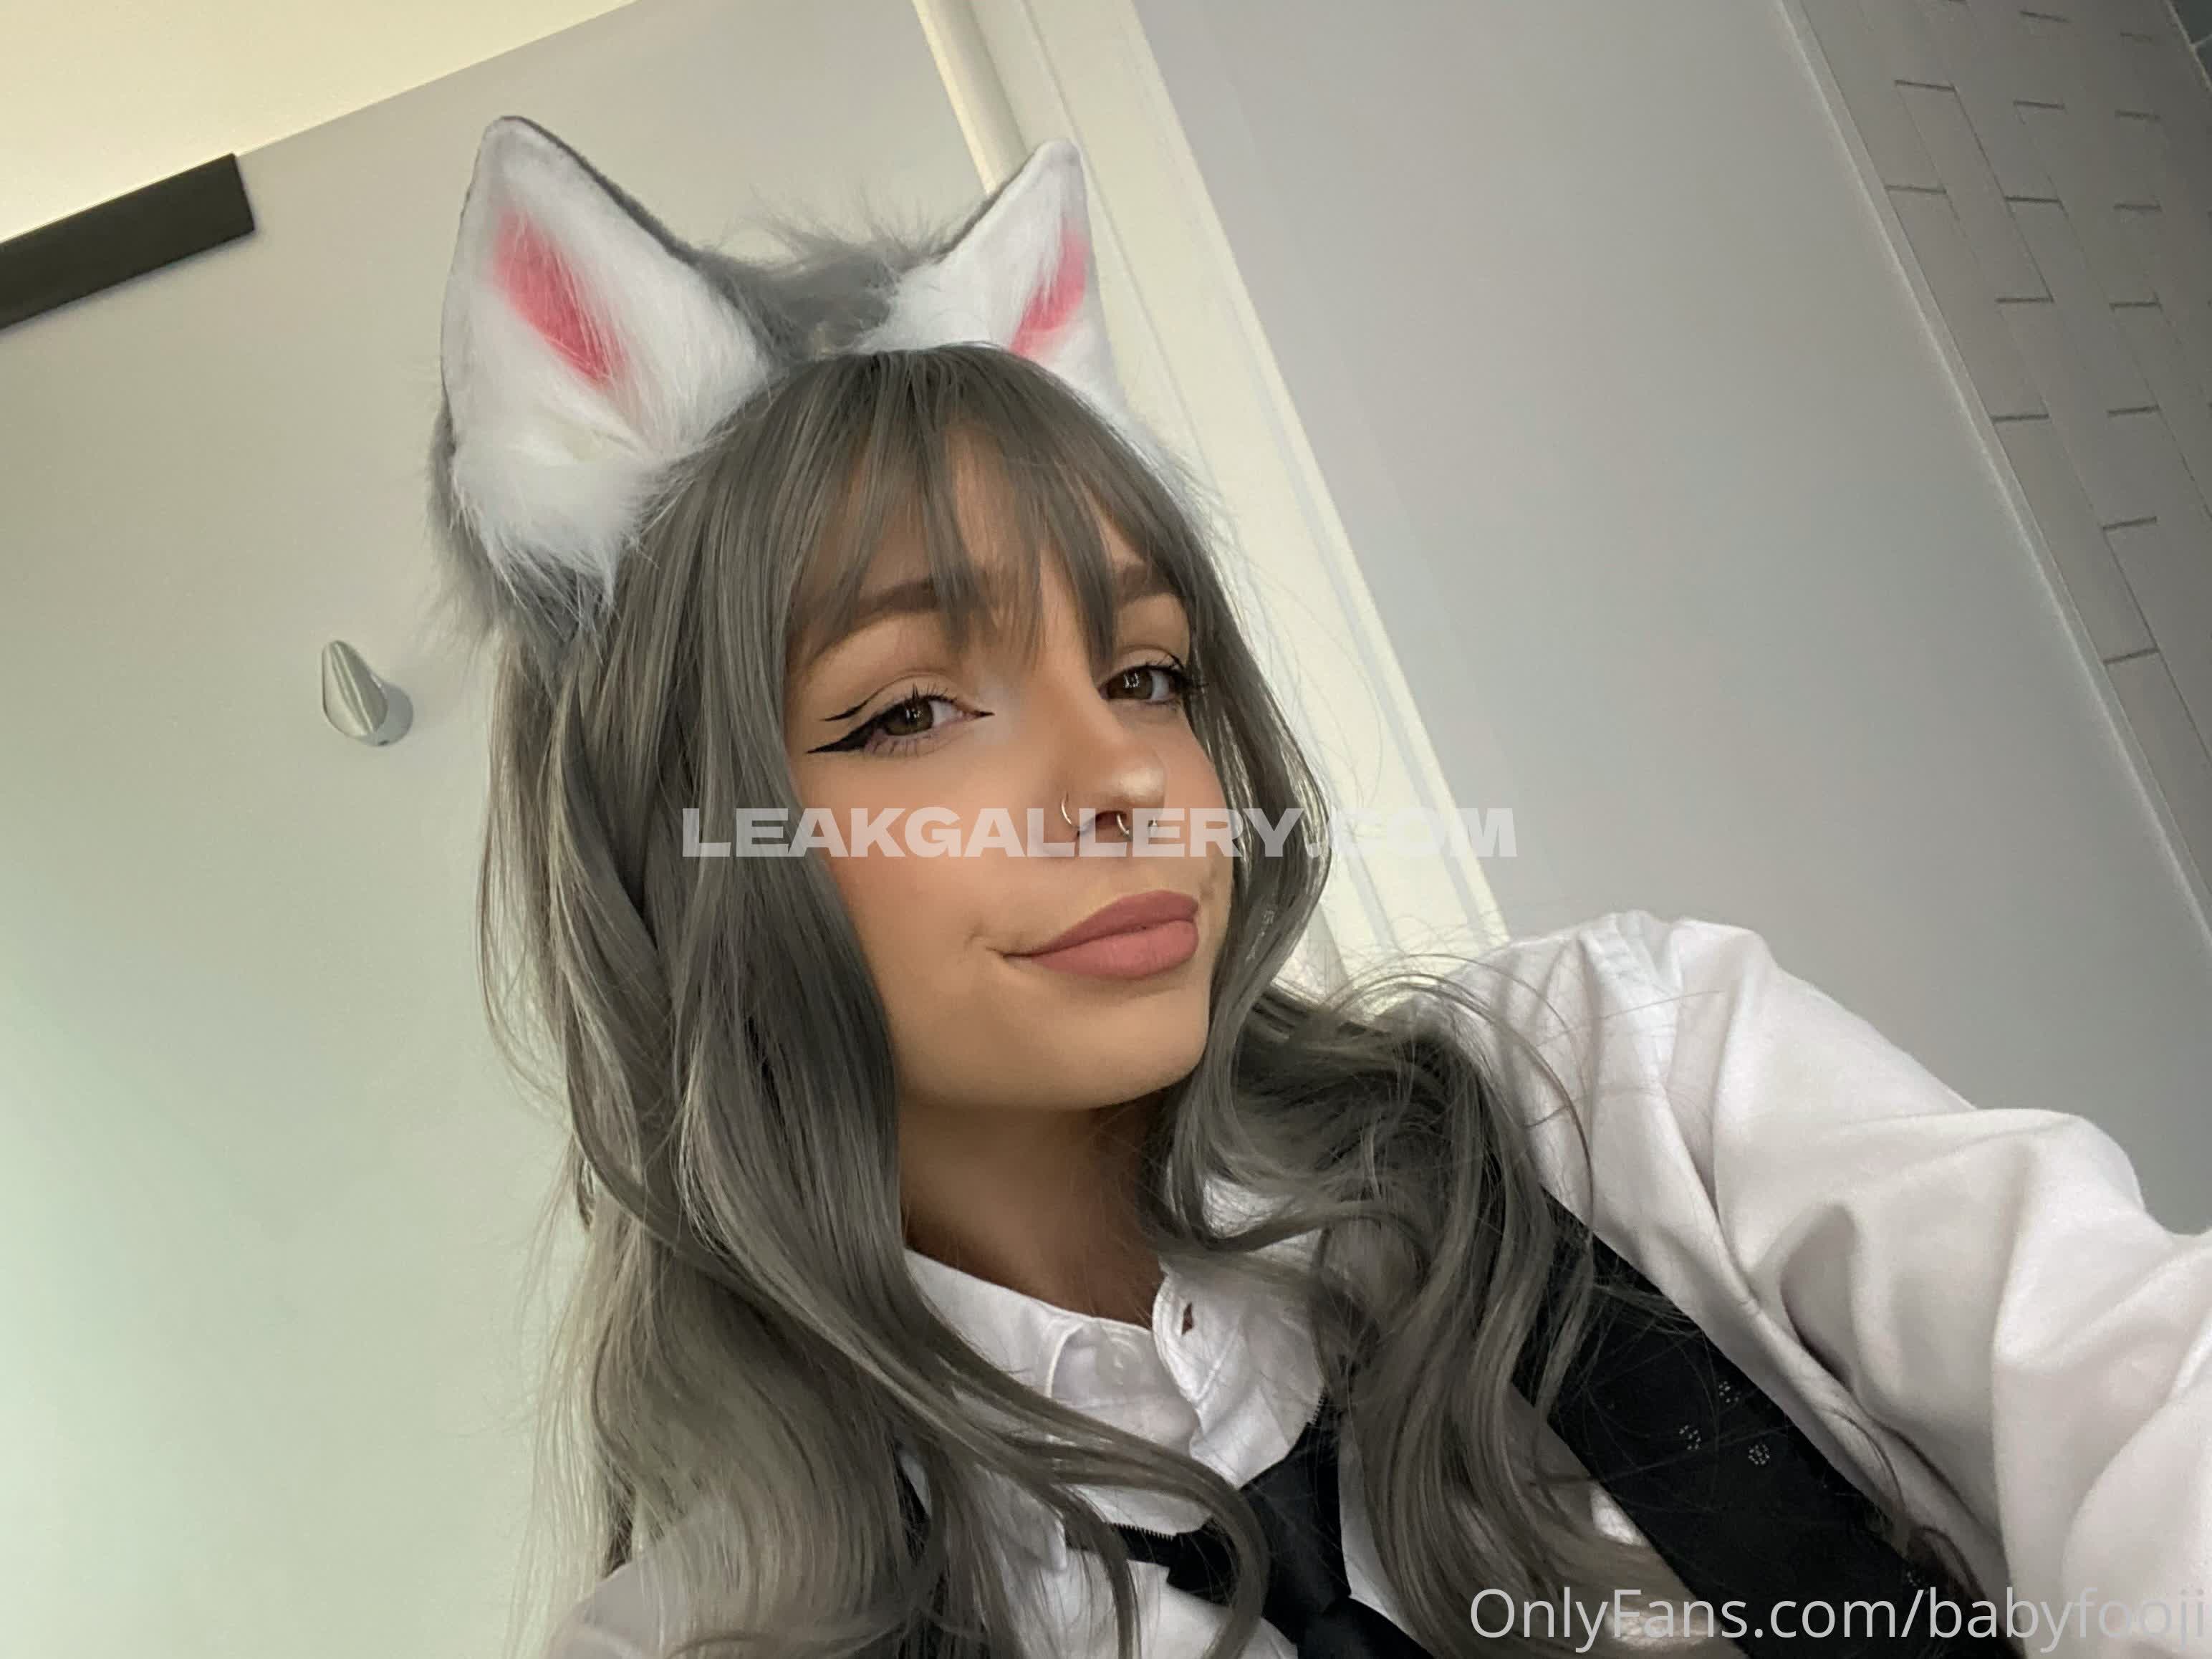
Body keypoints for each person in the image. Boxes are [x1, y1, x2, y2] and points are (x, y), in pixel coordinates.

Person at [425, 117, 2211, 1659]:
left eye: (1146, 674)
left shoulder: (1615, 1091)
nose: (1128, 779)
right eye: (910, 710)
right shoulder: (711, 1629)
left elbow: (2147, 1397)